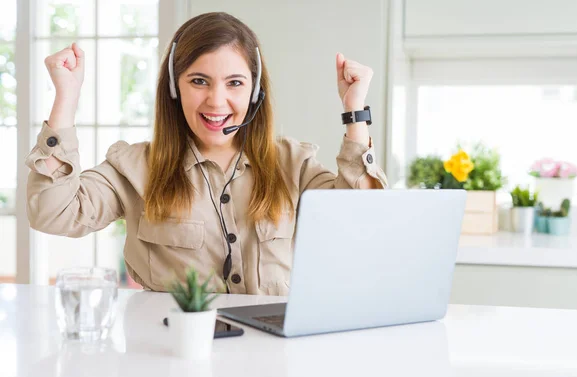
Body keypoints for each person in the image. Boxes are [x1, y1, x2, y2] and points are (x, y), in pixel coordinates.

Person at [26, 12, 388, 295]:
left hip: (272, 364)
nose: (217, 101)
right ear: (174, 87)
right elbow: (51, 213)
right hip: (170, 360)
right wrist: (66, 100)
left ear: (255, 91)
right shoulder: (134, 167)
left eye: (235, 83)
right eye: (199, 81)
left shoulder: (294, 165)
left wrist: (355, 112)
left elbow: (363, 221)